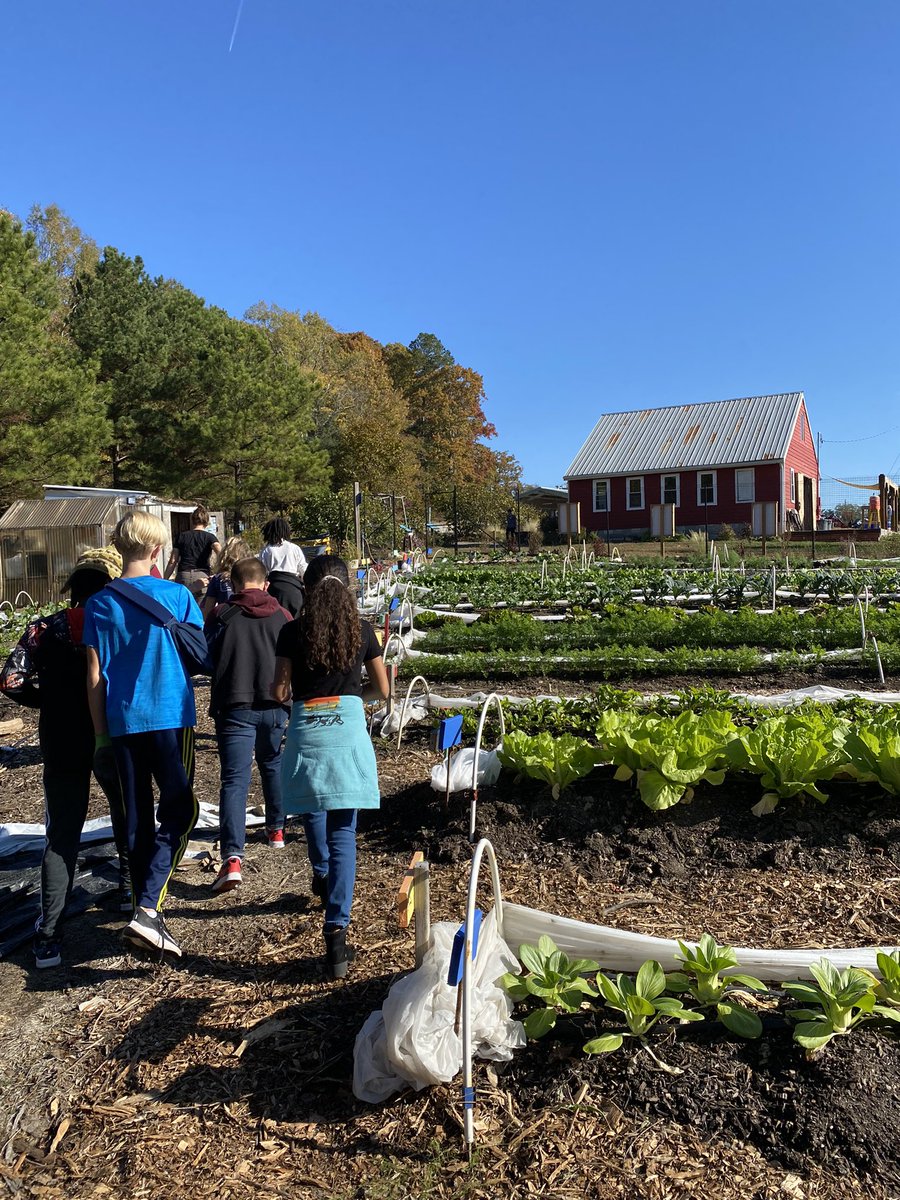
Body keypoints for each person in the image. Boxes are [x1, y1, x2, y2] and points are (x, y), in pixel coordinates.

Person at [0, 547, 132, 969]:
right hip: (111, 736)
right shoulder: (116, 624)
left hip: (59, 741)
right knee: (125, 811)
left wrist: (46, 702)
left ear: (71, 590)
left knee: (62, 834)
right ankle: (132, 894)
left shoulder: (42, 630)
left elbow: (10, 679)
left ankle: (49, 936)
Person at [84, 510, 204, 958]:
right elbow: (199, 654)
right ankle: (149, 907)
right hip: (172, 716)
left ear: (118, 548)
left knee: (135, 818)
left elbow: (94, 676)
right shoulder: (177, 596)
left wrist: (100, 737)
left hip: (122, 721)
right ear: (158, 550)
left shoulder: (99, 603)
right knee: (182, 811)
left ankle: (142, 909)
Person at [271, 555, 389, 979]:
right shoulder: (362, 631)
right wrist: (355, 698)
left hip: (307, 730)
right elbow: (383, 687)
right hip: (348, 729)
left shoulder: (291, 631)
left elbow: (280, 688)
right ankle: (337, 931)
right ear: (347, 588)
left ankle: (320, 875)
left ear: (306, 589)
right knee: (345, 830)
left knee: (312, 810)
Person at [205, 557, 292, 892]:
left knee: (235, 779)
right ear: (265, 583)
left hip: (234, 705)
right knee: (272, 763)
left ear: (235, 585)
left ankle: (232, 857)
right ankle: (276, 829)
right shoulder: (283, 616)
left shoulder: (222, 615)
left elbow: (205, 655)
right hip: (275, 705)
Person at [165, 505, 221, 600]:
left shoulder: (181, 536)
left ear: (192, 520)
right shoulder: (210, 537)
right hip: (202, 576)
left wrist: (165, 579)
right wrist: (219, 572)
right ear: (207, 522)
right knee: (201, 610)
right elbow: (221, 553)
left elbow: (173, 561)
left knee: (182, 608)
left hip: (183, 576)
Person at [260, 517, 306, 618]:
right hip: (294, 590)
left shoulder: (266, 551)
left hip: (274, 590)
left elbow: (262, 573)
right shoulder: (294, 548)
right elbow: (303, 569)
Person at [200, 535, 254, 618]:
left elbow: (208, 610)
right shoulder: (252, 576)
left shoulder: (218, 579)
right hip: (248, 619)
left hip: (226, 621)